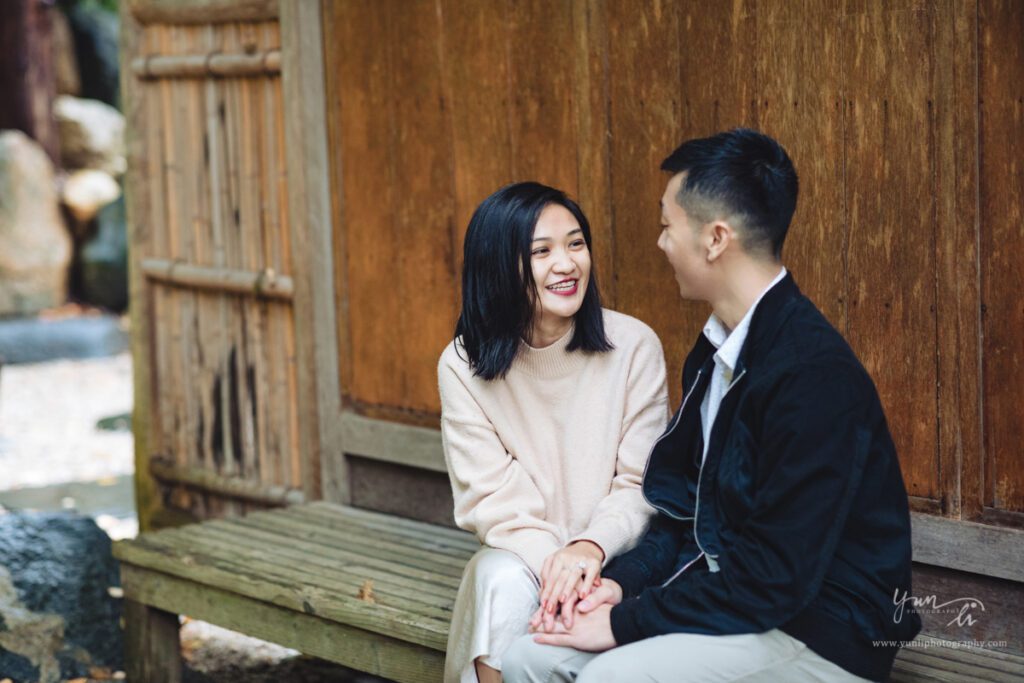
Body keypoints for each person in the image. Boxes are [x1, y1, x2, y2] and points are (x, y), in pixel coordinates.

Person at [503, 129, 922, 682]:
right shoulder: (717, 350)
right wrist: (620, 586)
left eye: (667, 226)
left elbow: (776, 580)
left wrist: (625, 623)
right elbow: (686, 514)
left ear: (716, 239)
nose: (661, 243)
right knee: (527, 657)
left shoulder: (811, 374)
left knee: (614, 678)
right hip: (728, 601)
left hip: (823, 630)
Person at [438, 182, 670, 683]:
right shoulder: (463, 365)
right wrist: (558, 566)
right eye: (541, 251)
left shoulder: (632, 347)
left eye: (576, 243)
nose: (566, 264)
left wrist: (589, 551)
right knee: (496, 579)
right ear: (499, 265)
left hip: (619, 558)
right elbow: (494, 499)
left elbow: (641, 484)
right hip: (527, 557)